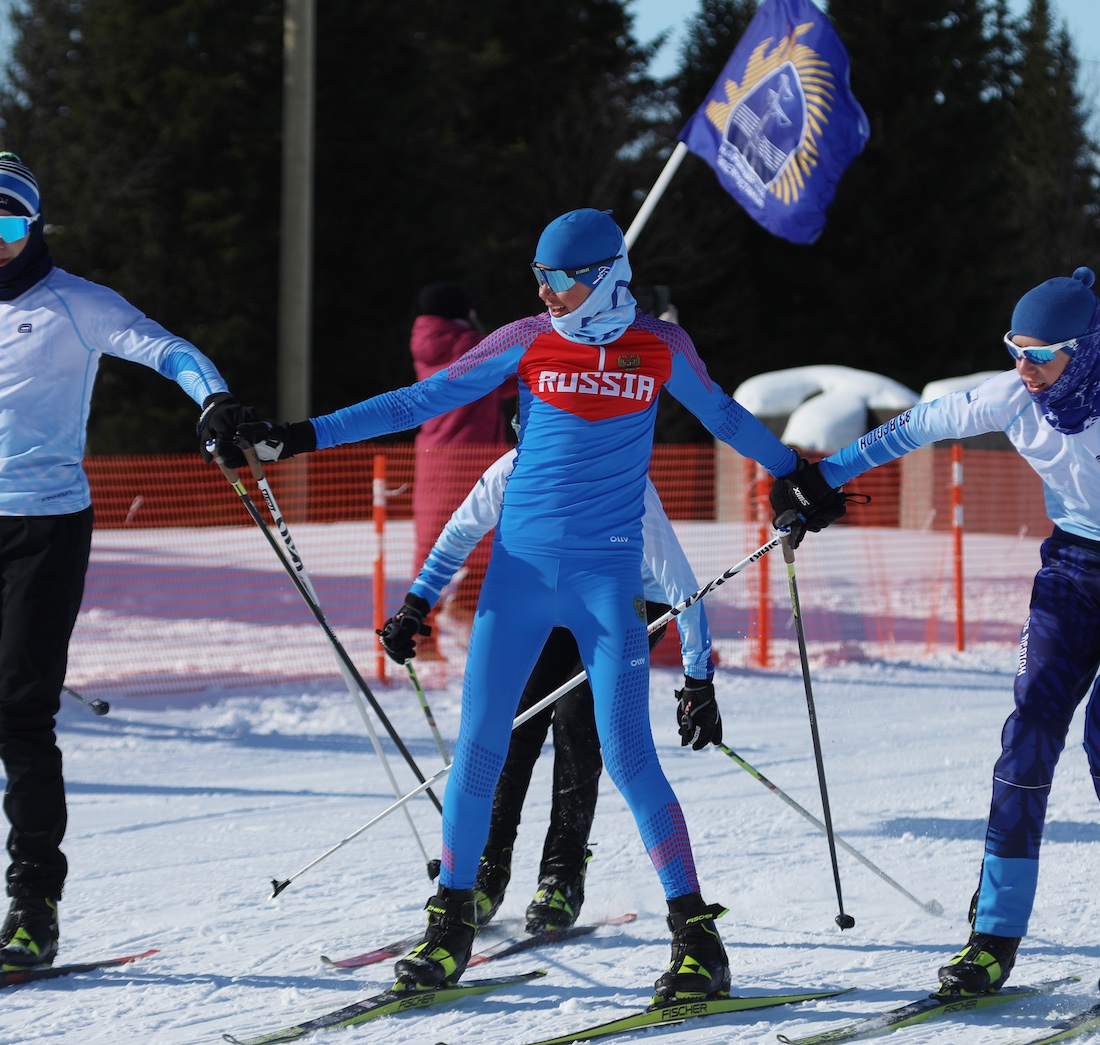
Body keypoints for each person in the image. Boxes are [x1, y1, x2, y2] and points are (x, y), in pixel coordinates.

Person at [237, 208, 837, 1005]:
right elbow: (418, 401)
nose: (548, 292)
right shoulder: (527, 338)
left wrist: (795, 472)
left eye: (562, 279)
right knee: (481, 743)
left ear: (605, 275)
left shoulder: (659, 346)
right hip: (517, 579)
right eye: (539, 278)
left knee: (629, 757)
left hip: (604, 586)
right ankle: (450, 923)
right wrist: (299, 436)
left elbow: (724, 417)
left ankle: (698, 939)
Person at [790, 267, 1100, 1005]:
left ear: (1082, 354)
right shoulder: (1012, 397)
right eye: (1014, 350)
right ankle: (992, 938)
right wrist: (825, 476)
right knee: (1028, 735)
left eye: (1039, 355)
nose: (1024, 369)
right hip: (1073, 567)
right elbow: (915, 425)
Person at [0, 154, 247, 977]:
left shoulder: (78, 304)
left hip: (49, 530)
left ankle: (33, 911)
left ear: (35, 226)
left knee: (20, 716)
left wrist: (212, 396)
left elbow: (169, 349)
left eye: (10, 226)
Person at [382, 448, 718, 935]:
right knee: (513, 727)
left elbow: (678, 578)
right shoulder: (513, 468)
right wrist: (416, 605)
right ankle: (486, 871)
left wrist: (698, 676)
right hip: (544, 598)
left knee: (578, 723)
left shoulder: (621, 475)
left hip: (626, 599)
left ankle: (562, 873)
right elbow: (459, 533)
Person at [409, 282, 514, 652]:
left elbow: (484, 386)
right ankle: (463, 607)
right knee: (500, 538)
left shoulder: (429, 342)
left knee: (435, 547)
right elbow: (503, 370)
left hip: (435, 454)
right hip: (470, 456)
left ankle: (421, 635)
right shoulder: (467, 342)